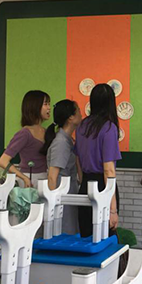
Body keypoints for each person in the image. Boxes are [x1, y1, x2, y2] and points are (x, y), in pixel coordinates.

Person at [74, 84, 121, 237]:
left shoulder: (82, 126)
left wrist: (83, 181)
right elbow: (109, 170)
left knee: (86, 237)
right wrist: (113, 209)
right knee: (106, 239)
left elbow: (77, 158)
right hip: (103, 187)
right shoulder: (109, 128)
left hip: (85, 185)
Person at [41, 99, 83, 234]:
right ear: (71, 117)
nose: (81, 113)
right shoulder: (61, 143)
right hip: (61, 198)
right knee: (64, 233)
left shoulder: (68, 140)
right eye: (78, 110)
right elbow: (52, 177)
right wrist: (53, 206)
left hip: (67, 194)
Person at [0, 90, 51, 188]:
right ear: (35, 106)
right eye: (45, 104)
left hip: (44, 179)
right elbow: (3, 161)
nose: (49, 108)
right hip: (28, 182)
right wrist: (24, 178)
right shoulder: (24, 134)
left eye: (49, 104)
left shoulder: (46, 132)